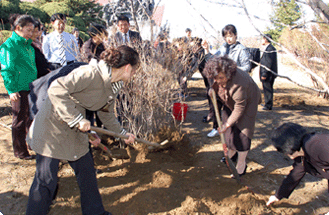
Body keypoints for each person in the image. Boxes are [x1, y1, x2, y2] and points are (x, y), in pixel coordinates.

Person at [25, 45, 139, 215]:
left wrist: (122, 134)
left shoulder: (114, 85)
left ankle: (95, 212)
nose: (135, 73)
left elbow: (106, 113)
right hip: (52, 127)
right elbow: (56, 89)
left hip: (75, 129)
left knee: (87, 172)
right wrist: (77, 119)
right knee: (46, 180)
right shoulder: (90, 73)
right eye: (135, 69)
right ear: (127, 67)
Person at [203, 56, 261, 177]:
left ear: (228, 74)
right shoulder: (215, 74)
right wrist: (211, 91)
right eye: (215, 78)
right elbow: (213, 85)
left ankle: (241, 164)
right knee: (228, 129)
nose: (217, 80)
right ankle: (231, 153)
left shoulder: (240, 83)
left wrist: (227, 124)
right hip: (230, 100)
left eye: (221, 78)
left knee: (243, 132)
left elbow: (239, 108)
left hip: (248, 102)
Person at [203, 24, 251, 138]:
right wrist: (206, 50)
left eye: (230, 36)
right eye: (226, 36)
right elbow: (212, 60)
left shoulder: (241, 50)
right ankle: (216, 127)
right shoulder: (223, 48)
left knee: (231, 110)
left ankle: (234, 132)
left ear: (235, 35)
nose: (228, 39)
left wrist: (231, 70)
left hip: (234, 86)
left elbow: (247, 67)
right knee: (216, 105)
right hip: (221, 85)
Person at [0, 15, 37, 160]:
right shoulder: (9, 46)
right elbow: (7, 69)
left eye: (32, 30)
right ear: (18, 28)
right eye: (28, 30)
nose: (30, 33)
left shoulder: (28, 45)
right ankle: (20, 151)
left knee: (30, 118)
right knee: (20, 120)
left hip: (31, 86)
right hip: (19, 88)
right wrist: (11, 90)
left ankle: (30, 144)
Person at [266, 122, 329, 206]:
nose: (286, 154)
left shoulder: (318, 145)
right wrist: (278, 195)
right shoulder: (302, 154)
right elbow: (295, 174)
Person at [259, 34, 277, 111]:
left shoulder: (270, 49)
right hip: (269, 73)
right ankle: (267, 103)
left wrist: (264, 74)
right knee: (266, 89)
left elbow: (268, 63)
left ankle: (268, 105)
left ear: (265, 39)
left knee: (268, 89)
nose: (261, 41)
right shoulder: (269, 48)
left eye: (262, 39)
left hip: (268, 74)